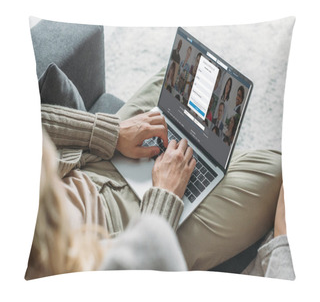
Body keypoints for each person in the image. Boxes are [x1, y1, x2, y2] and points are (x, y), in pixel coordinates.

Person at [26, 68, 284, 277]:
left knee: (181, 80)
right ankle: (203, 165)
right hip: (130, 227)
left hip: (88, 164)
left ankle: (201, 157)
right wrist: (164, 192)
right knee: (277, 168)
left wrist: (111, 132)